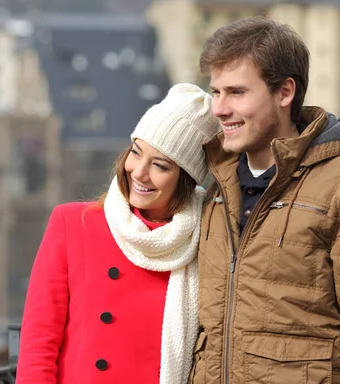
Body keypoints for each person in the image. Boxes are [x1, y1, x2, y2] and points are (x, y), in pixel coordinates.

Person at [189, 17, 340, 384]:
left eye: (236, 92)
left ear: (285, 92)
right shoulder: (216, 191)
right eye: (215, 92)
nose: (219, 109)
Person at [16, 83, 220, 384]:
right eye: (136, 152)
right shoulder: (73, 223)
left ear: (186, 180)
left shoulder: (205, 242)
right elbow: (38, 343)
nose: (138, 172)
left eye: (159, 166)